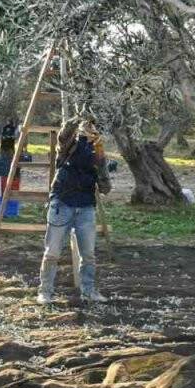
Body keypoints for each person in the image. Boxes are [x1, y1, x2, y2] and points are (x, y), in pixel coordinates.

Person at [36, 118, 112, 305]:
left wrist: (100, 156)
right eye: (87, 125)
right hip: (62, 204)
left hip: (86, 206)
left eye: (93, 126)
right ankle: (45, 292)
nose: (89, 128)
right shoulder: (68, 143)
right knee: (52, 253)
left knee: (88, 255)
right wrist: (78, 117)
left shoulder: (97, 150)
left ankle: (89, 291)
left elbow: (105, 187)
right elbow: (64, 133)